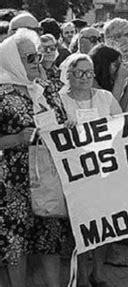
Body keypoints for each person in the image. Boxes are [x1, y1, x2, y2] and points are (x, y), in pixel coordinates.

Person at [0, 28, 71, 287]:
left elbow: (62, 118)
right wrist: (16, 139)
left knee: (49, 239)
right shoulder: (2, 93)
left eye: (37, 57)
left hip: (48, 176)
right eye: (29, 58)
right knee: (15, 244)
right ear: (12, 60)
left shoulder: (43, 88)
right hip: (14, 183)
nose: (36, 63)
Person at [59, 54, 122, 287]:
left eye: (89, 72)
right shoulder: (60, 101)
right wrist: (65, 130)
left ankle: (98, 271)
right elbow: (53, 132)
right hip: (76, 173)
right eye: (79, 73)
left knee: (105, 224)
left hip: (105, 169)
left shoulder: (105, 97)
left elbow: (122, 125)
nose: (85, 77)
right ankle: (83, 274)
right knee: (82, 226)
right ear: (69, 75)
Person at [89, 44, 128, 112]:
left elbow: (119, 109)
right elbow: (110, 109)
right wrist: (119, 79)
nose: (118, 68)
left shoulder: (108, 81)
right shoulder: (92, 83)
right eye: (116, 65)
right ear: (104, 65)